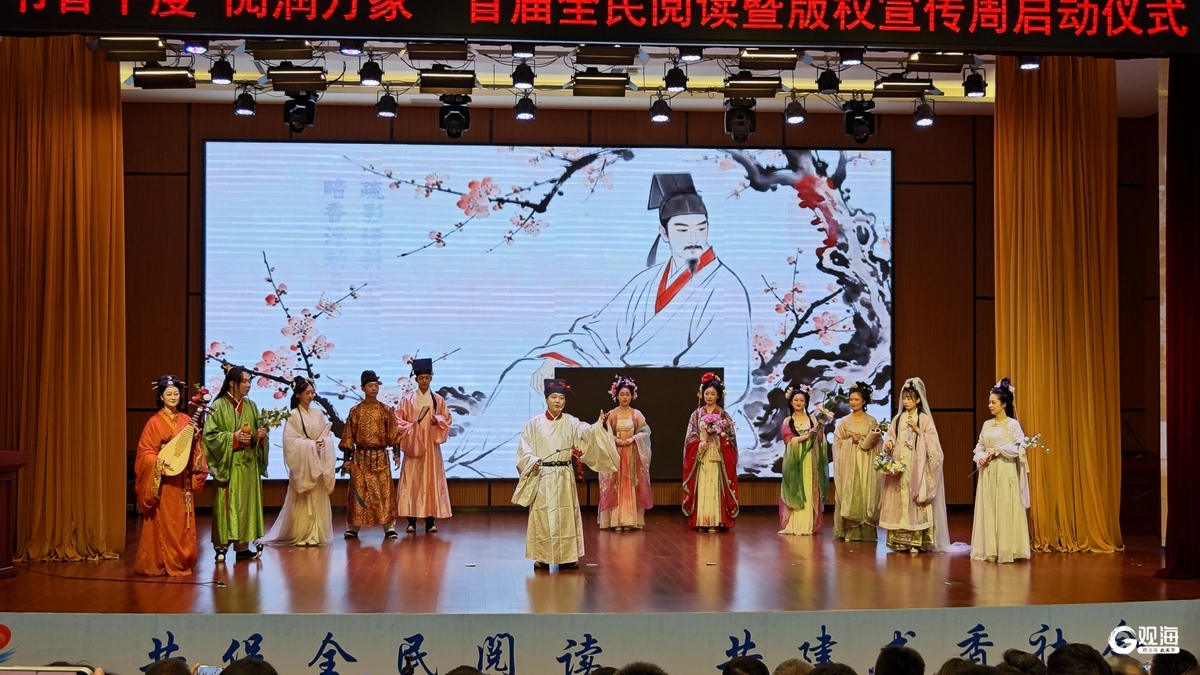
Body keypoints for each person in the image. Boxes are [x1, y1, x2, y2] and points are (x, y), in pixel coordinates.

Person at [449, 172, 753, 479]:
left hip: (668, 392)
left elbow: (723, 367)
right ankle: (483, 463)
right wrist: (558, 358)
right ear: (663, 232)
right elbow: (601, 332)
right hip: (626, 379)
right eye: (682, 229)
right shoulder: (647, 281)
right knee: (526, 372)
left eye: (701, 228)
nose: (693, 238)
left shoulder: (725, 287)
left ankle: (503, 465)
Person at [515, 379, 618, 569]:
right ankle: (543, 557)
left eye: (561, 397)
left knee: (565, 516)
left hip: (564, 475)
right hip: (543, 475)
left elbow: (587, 433)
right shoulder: (534, 423)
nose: (557, 401)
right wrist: (532, 461)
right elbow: (524, 449)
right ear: (547, 399)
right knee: (543, 517)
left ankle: (568, 557)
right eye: (553, 397)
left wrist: (600, 425)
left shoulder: (571, 422)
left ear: (565, 401)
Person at [134, 375, 209, 576]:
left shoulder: (186, 420)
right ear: (161, 397)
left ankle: (181, 559)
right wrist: (158, 463)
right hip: (164, 480)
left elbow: (193, 450)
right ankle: (160, 560)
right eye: (169, 394)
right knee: (165, 519)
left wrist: (195, 440)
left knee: (183, 520)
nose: (173, 397)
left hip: (182, 479)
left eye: (176, 393)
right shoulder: (154, 422)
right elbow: (145, 453)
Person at [203, 365, 267, 562]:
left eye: (249, 381)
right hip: (228, 464)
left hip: (248, 464)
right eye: (244, 381)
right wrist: (233, 437)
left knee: (246, 503)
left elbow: (258, 433)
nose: (248, 385)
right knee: (227, 504)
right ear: (232, 383)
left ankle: (242, 546)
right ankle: (222, 546)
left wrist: (259, 437)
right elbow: (209, 436)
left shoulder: (252, 406)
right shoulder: (218, 405)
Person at [879, 377, 949, 553]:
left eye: (910, 398)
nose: (906, 402)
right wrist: (889, 443)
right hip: (900, 464)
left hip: (916, 466)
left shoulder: (924, 419)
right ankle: (900, 540)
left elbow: (934, 445)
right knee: (898, 497)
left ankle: (917, 540)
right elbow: (891, 436)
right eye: (904, 398)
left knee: (914, 497)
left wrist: (919, 432)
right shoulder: (898, 419)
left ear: (918, 399)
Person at [264, 377, 335, 546]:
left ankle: (316, 534)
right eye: (307, 393)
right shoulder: (293, 415)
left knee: (317, 497)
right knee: (303, 498)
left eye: (312, 392)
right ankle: (301, 533)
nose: (311, 396)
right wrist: (310, 445)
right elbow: (290, 441)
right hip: (304, 463)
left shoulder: (318, 414)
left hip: (316, 461)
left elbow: (327, 436)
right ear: (298, 394)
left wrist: (323, 443)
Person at [970, 377, 1031, 563]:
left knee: (1004, 507)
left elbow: (1019, 447)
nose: (990, 405)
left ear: (1003, 404)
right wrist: (980, 456)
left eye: (993, 402)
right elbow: (979, 446)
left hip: (1005, 471)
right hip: (988, 473)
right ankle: (990, 549)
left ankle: (1006, 548)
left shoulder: (1012, 425)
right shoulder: (987, 424)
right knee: (989, 508)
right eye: (989, 402)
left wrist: (998, 449)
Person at [339, 369, 402, 539]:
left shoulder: (386, 410)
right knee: (358, 491)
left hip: (380, 456)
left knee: (384, 491)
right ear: (363, 388)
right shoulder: (356, 411)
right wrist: (347, 460)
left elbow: (394, 433)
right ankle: (353, 527)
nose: (373, 388)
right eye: (370, 385)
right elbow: (348, 435)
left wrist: (396, 453)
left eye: (376, 385)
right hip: (360, 457)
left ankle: (389, 527)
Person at [395, 358, 454, 534]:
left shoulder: (437, 400)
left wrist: (438, 420)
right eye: (421, 378)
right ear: (416, 379)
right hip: (414, 444)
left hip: (430, 446)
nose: (424, 381)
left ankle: (430, 520)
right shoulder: (407, 400)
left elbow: (447, 419)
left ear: (431, 378)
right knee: (412, 480)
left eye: (427, 378)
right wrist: (412, 426)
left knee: (430, 480)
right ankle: (411, 520)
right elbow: (398, 421)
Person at [682, 372, 739, 532]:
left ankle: (716, 520)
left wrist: (719, 438)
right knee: (702, 486)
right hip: (701, 455)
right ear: (702, 393)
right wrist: (699, 444)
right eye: (707, 393)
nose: (709, 396)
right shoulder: (696, 414)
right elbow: (690, 435)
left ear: (718, 395)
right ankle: (701, 520)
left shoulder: (723, 415)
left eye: (713, 394)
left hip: (718, 456)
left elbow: (731, 437)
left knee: (715, 486)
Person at [599, 375, 652, 531]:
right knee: (615, 483)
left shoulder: (636, 414)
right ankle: (615, 520)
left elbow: (645, 432)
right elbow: (604, 432)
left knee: (630, 483)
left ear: (632, 396)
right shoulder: (612, 414)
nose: (624, 397)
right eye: (621, 394)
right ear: (616, 395)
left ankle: (629, 519)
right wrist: (615, 438)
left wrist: (632, 439)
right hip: (616, 454)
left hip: (631, 454)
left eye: (627, 394)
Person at [832, 381, 881, 541]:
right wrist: (850, 441)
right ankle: (849, 530)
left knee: (867, 492)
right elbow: (837, 442)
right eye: (851, 399)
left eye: (856, 399)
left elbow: (879, 443)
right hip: (850, 463)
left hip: (867, 462)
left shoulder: (872, 421)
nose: (853, 402)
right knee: (852, 491)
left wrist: (874, 441)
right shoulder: (845, 421)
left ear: (864, 401)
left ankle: (866, 531)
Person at [778, 383, 829, 536]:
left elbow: (820, 440)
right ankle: (795, 523)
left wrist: (820, 428)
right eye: (796, 400)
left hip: (809, 458)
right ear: (791, 402)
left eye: (802, 400)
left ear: (806, 402)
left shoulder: (812, 419)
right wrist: (806, 437)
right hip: (795, 459)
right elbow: (788, 441)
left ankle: (807, 523)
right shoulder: (787, 421)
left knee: (809, 487)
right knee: (796, 487)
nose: (799, 403)